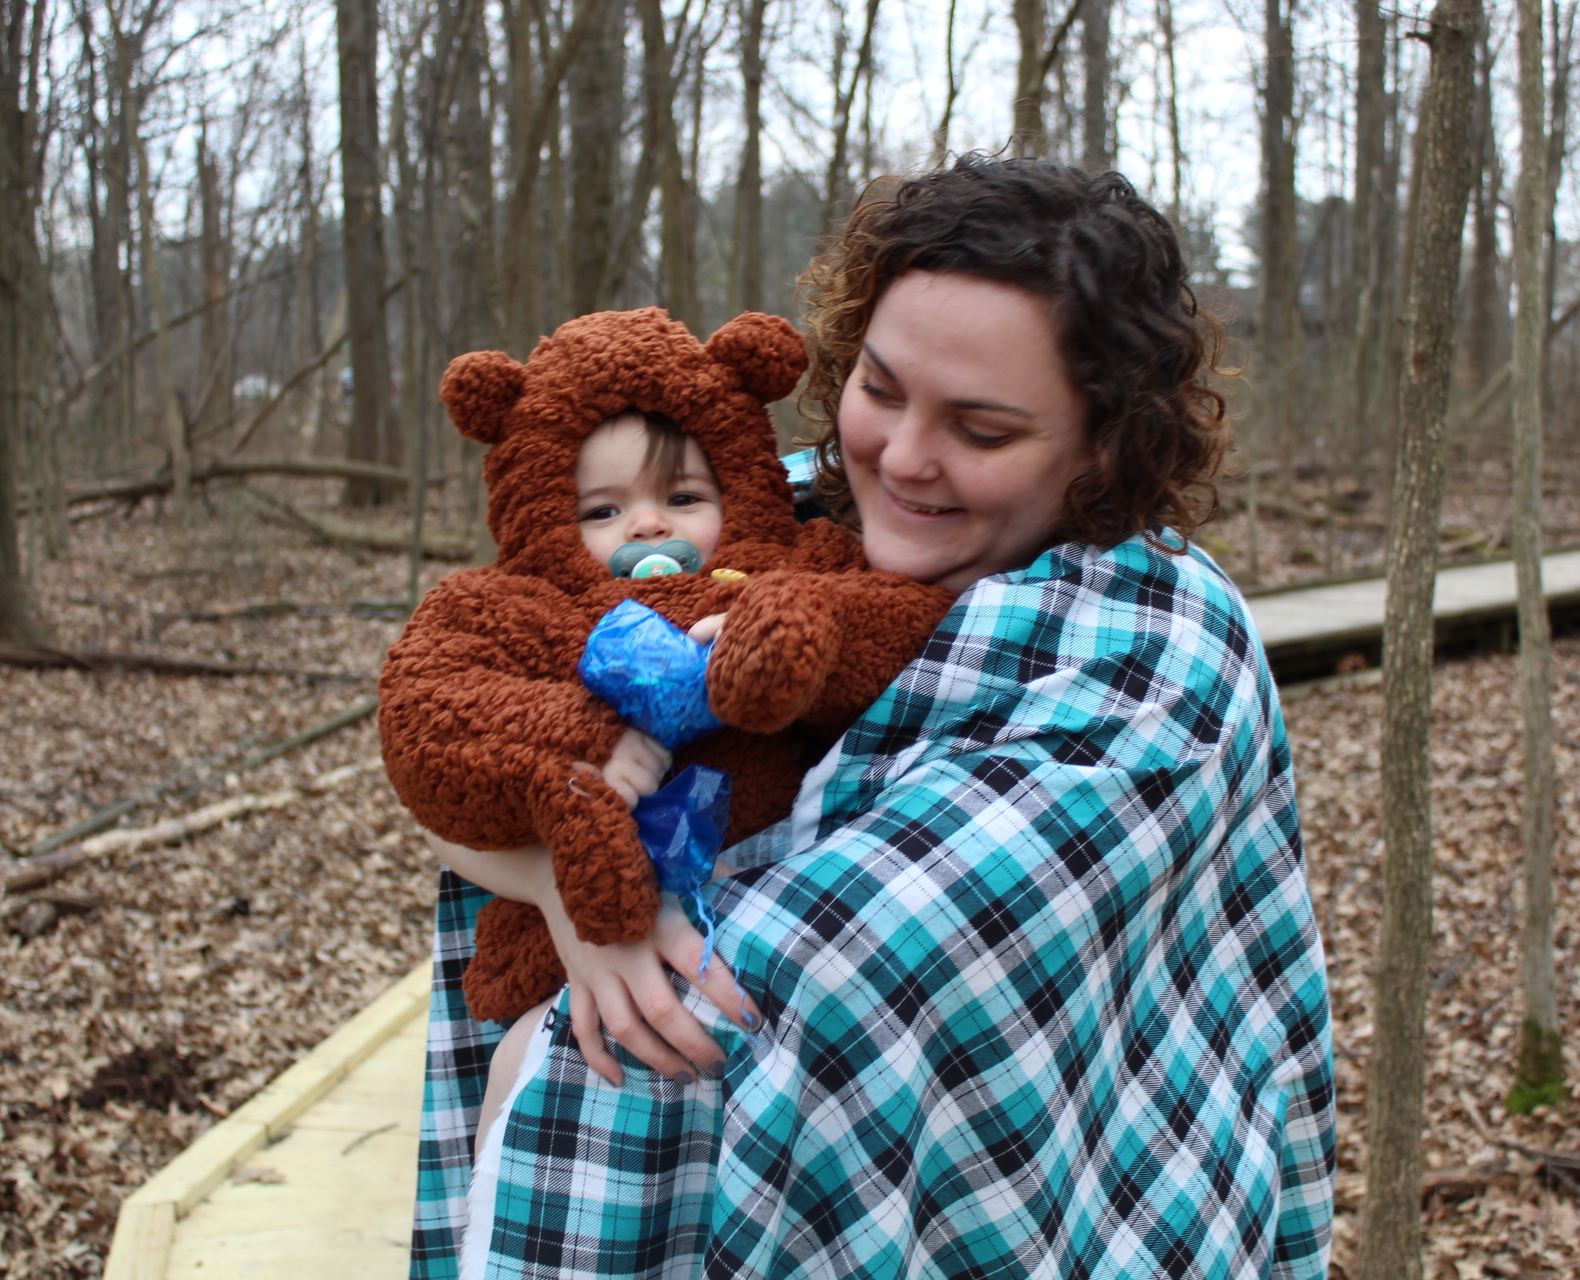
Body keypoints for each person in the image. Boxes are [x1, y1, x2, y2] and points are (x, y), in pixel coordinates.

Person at [409, 157, 1335, 1280]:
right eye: (882, 389)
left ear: (1105, 444)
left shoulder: (1152, 660)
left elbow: (800, 976)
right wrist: (566, 884)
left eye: (980, 430)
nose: (900, 458)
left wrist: (600, 948)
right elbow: (449, 749)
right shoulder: (766, 504)